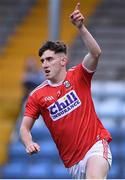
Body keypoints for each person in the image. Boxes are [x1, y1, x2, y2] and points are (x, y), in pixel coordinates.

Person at [20, 3, 112, 179]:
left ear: (63, 61)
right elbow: (24, 128)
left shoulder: (78, 75)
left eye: (49, 59)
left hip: (96, 145)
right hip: (73, 163)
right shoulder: (37, 95)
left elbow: (95, 53)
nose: (45, 64)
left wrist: (81, 27)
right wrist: (29, 142)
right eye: (42, 61)